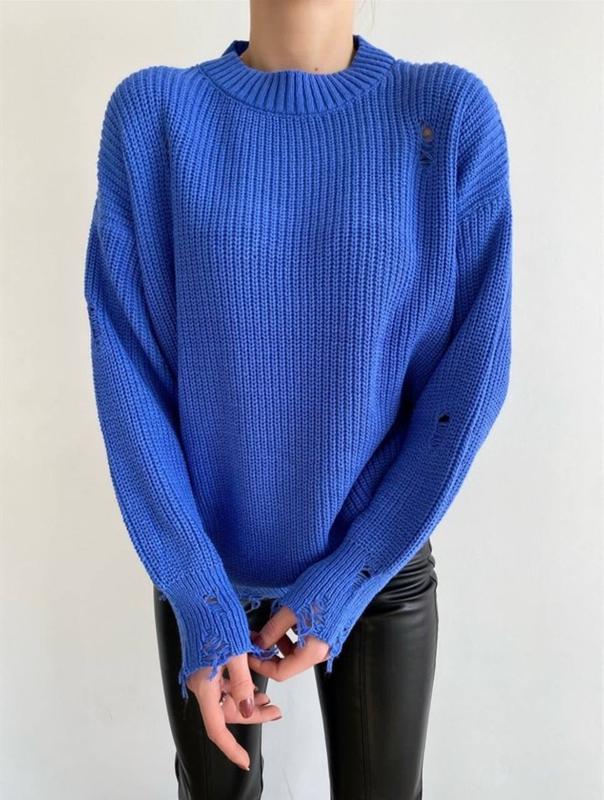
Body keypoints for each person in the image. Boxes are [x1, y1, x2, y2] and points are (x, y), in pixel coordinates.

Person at [83, 0, 512, 797]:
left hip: (378, 562)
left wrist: (350, 574)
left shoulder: (445, 115)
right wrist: (199, 594)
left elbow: (469, 376)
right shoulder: (157, 116)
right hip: (204, 567)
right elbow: (129, 373)